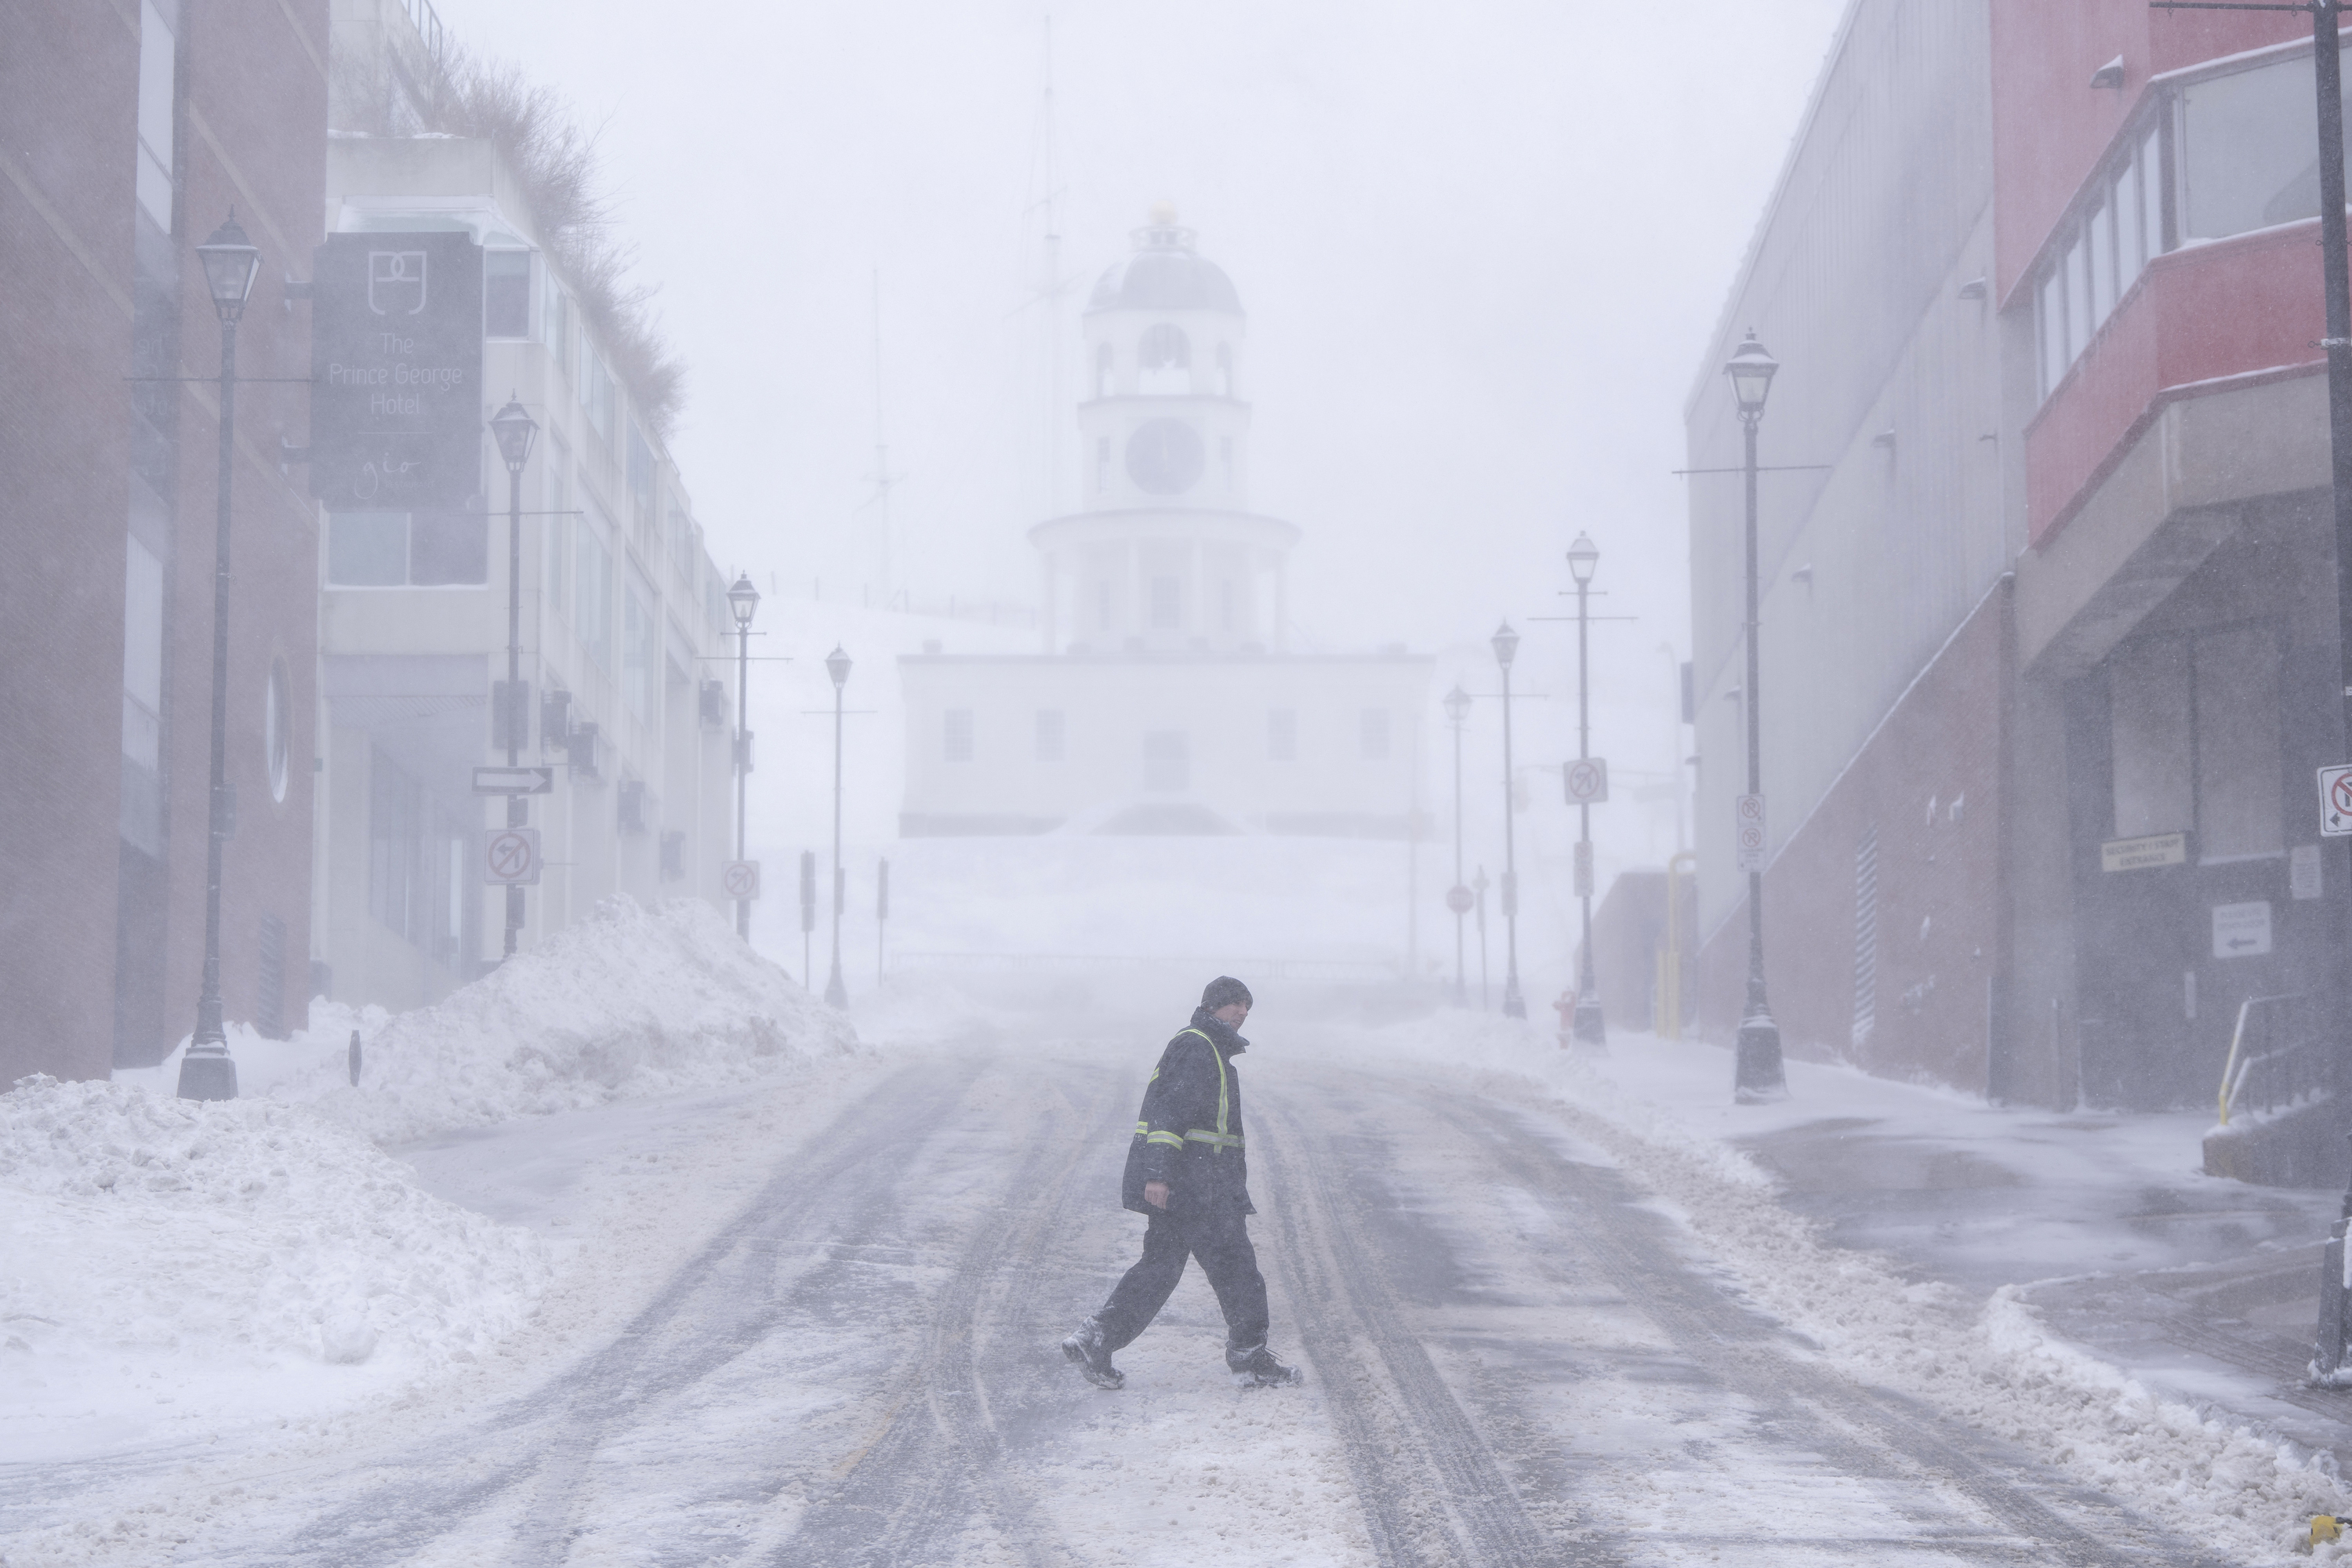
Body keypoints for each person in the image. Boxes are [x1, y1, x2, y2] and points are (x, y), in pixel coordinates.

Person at [1061, 976, 1302, 1390]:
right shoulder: (1197, 1046)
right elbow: (1167, 1114)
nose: (1243, 1013)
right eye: (1236, 1005)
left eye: (1248, 1007)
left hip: (1199, 1185)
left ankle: (1096, 1338)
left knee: (1161, 1267)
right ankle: (1250, 1359)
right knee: (1238, 1271)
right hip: (1198, 1188)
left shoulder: (1208, 1048)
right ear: (1212, 1006)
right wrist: (1158, 1175)